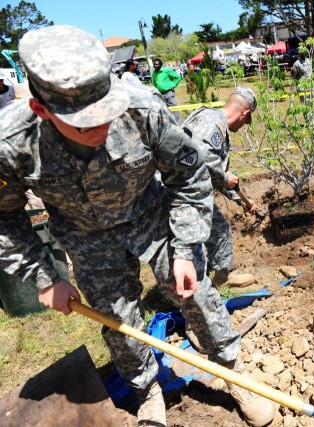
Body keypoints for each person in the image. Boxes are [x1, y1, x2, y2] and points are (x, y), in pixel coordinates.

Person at [0, 25, 274, 427]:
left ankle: (233, 371)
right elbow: (5, 217)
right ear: (43, 110)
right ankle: (147, 391)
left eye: (106, 111)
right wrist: (44, 278)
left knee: (196, 294)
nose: (104, 126)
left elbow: (191, 176)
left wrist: (184, 248)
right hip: (86, 238)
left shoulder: (143, 109)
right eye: (86, 122)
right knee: (118, 321)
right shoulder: (13, 144)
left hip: (154, 219)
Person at [182, 87, 258, 283]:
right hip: (184, 192)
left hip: (192, 190)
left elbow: (216, 174)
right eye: (246, 121)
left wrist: (243, 201)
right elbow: (203, 155)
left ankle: (217, 278)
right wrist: (225, 178)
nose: (243, 126)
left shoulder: (214, 122)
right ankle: (206, 285)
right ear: (245, 113)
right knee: (202, 237)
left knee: (219, 232)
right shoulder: (214, 123)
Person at [152, 58, 182, 122]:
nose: (155, 66)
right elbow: (155, 84)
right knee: (164, 111)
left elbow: (178, 77)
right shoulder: (154, 73)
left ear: (161, 65)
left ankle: (180, 125)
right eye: (154, 64)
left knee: (174, 109)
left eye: (157, 64)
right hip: (160, 95)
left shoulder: (166, 70)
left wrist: (174, 85)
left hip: (169, 93)